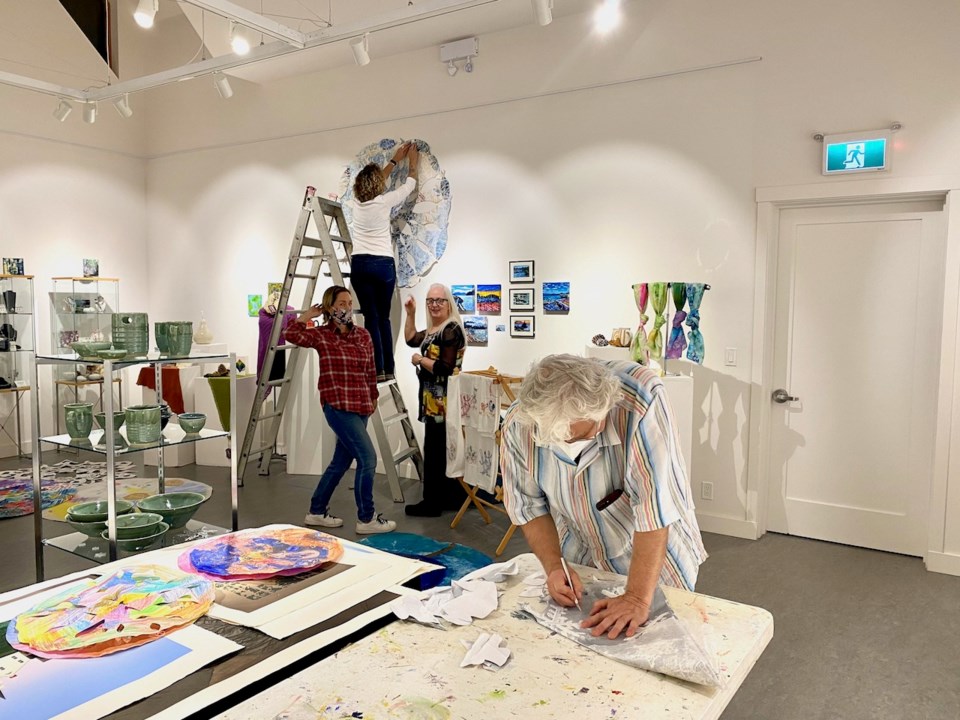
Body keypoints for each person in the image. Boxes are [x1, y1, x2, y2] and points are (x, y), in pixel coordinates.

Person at [500, 354, 707, 640]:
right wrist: (553, 566)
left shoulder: (642, 400)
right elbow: (528, 505)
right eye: (567, 441)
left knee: (659, 645)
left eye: (586, 432)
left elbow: (654, 506)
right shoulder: (519, 422)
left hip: (655, 560)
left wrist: (636, 598)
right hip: (582, 550)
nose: (577, 445)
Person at [283, 284, 396, 535]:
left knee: (340, 463)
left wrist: (373, 396)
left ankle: (316, 511)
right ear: (330, 307)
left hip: (362, 406)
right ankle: (366, 518)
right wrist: (305, 317)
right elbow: (290, 335)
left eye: (348, 303)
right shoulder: (322, 335)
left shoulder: (363, 335)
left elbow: (370, 369)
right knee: (367, 459)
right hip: (337, 406)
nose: (346, 308)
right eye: (341, 303)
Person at [347, 140, 420, 383]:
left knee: (371, 318)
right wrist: (411, 162)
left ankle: (377, 369)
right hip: (382, 265)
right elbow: (410, 184)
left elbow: (376, 181)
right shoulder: (384, 201)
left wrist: (392, 161)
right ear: (379, 185)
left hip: (360, 264)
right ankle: (388, 367)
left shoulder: (357, 203)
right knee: (384, 318)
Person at [403, 283, 467, 517]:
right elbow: (411, 338)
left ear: (448, 302)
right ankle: (444, 499)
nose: (434, 305)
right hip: (433, 401)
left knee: (437, 451)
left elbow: (445, 368)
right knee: (438, 450)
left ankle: (432, 503)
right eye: (430, 301)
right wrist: (410, 313)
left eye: (439, 300)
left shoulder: (450, 329)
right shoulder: (435, 329)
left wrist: (420, 360)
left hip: (443, 402)